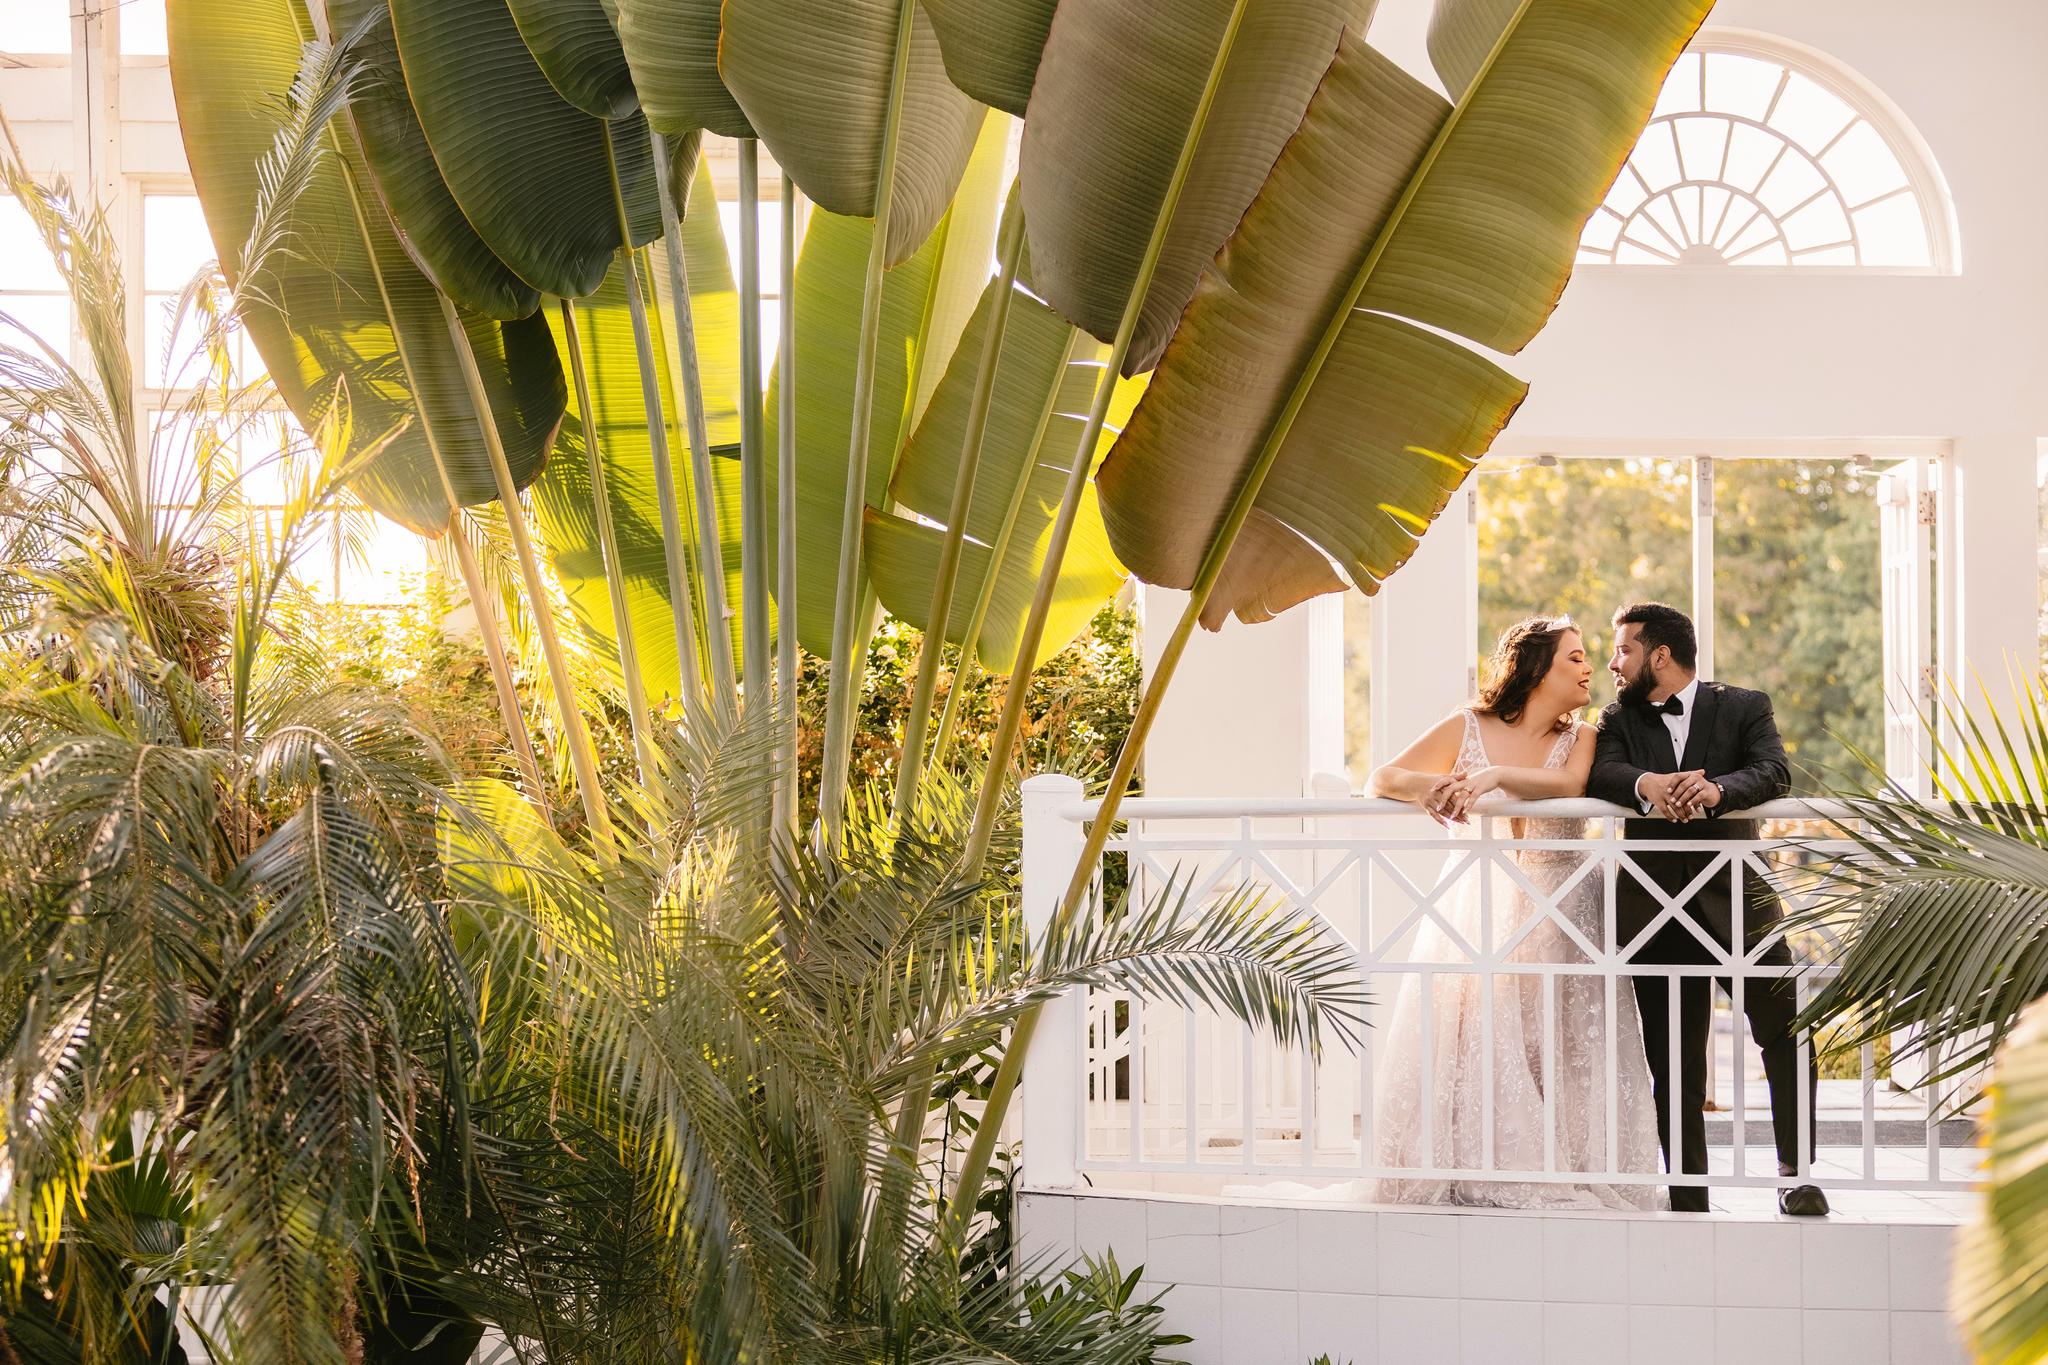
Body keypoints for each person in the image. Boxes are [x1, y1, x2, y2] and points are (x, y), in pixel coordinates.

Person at [1364, 617, 1664, 1209]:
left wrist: (1494, 776)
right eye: (1575, 658)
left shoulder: (1582, 736)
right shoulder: (1467, 725)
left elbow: (1571, 785)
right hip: (1477, 904)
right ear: (1537, 668)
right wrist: (1428, 788)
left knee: (1562, 1037)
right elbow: (1382, 777)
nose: (1589, 669)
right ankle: (1469, 1161)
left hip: (1566, 909)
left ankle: (1570, 1166)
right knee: (1473, 1032)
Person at [1589, 601, 1827, 1216]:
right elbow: (1603, 774)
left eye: (1623, 650)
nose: (1613, 664)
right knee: (1674, 1063)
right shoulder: (1617, 717)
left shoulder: (1745, 706)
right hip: (1652, 910)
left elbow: (1774, 771)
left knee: (1788, 1033)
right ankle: (1688, 1191)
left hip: (1737, 901)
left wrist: (1719, 791)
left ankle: (1795, 1175)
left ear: (1659, 655)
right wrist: (1649, 786)